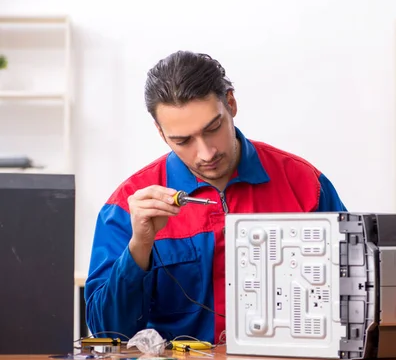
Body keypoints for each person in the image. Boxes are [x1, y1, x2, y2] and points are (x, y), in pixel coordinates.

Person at [84, 51, 347, 344]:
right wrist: (140, 246)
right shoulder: (126, 206)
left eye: (213, 128)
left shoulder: (305, 185)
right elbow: (107, 332)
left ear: (231, 103)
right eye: (182, 141)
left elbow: (352, 294)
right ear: (161, 133)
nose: (206, 153)